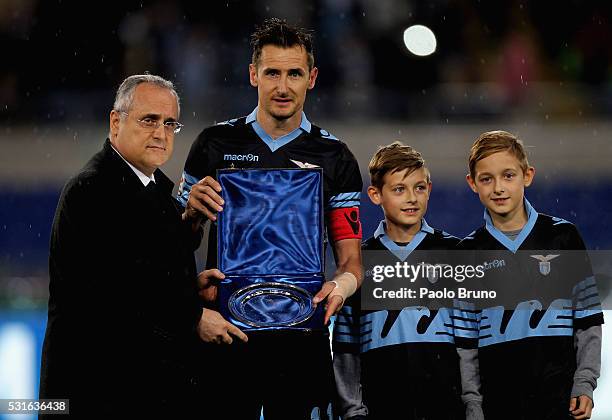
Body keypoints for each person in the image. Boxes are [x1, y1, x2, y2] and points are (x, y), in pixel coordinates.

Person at [178, 18, 363, 418]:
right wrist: (191, 212)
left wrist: (340, 288)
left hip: (301, 337)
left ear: (311, 77)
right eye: (272, 73)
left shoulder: (336, 158)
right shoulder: (212, 144)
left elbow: (351, 262)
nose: (283, 86)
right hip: (225, 333)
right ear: (252, 75)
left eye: (294, 73)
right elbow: (176, 244)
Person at [39, 74, 246, 418]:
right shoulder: (91, 191)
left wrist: (189, 290)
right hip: (94, 394)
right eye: (149, 120)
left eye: (169, 123)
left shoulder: (155, 194)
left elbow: (144, 270)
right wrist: (192, 316)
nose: (161, 133)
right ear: (115, 121)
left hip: (137, 392)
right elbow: (108, 295)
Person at [332, 142, 483, 420]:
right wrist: (353, 411)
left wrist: (473, 406)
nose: (412, 198)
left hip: (446, 409)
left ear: (430, 189)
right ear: (375, 195)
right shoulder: (358, 264)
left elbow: (468, 343)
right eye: (399, 189)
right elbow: (346, 351)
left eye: (419, 188)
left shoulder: (454, 255)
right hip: (382, 409)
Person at [459, 130, 604, 420]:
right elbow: (466, 342)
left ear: (528, 175)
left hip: (560, 402)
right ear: (472, 184)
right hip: (498, 406)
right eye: (487, 179)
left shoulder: (564, 237)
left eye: (508, 175)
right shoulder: (467, 253)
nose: (498, 187)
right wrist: (472, 403)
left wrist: (584, 383)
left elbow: (587, 320)